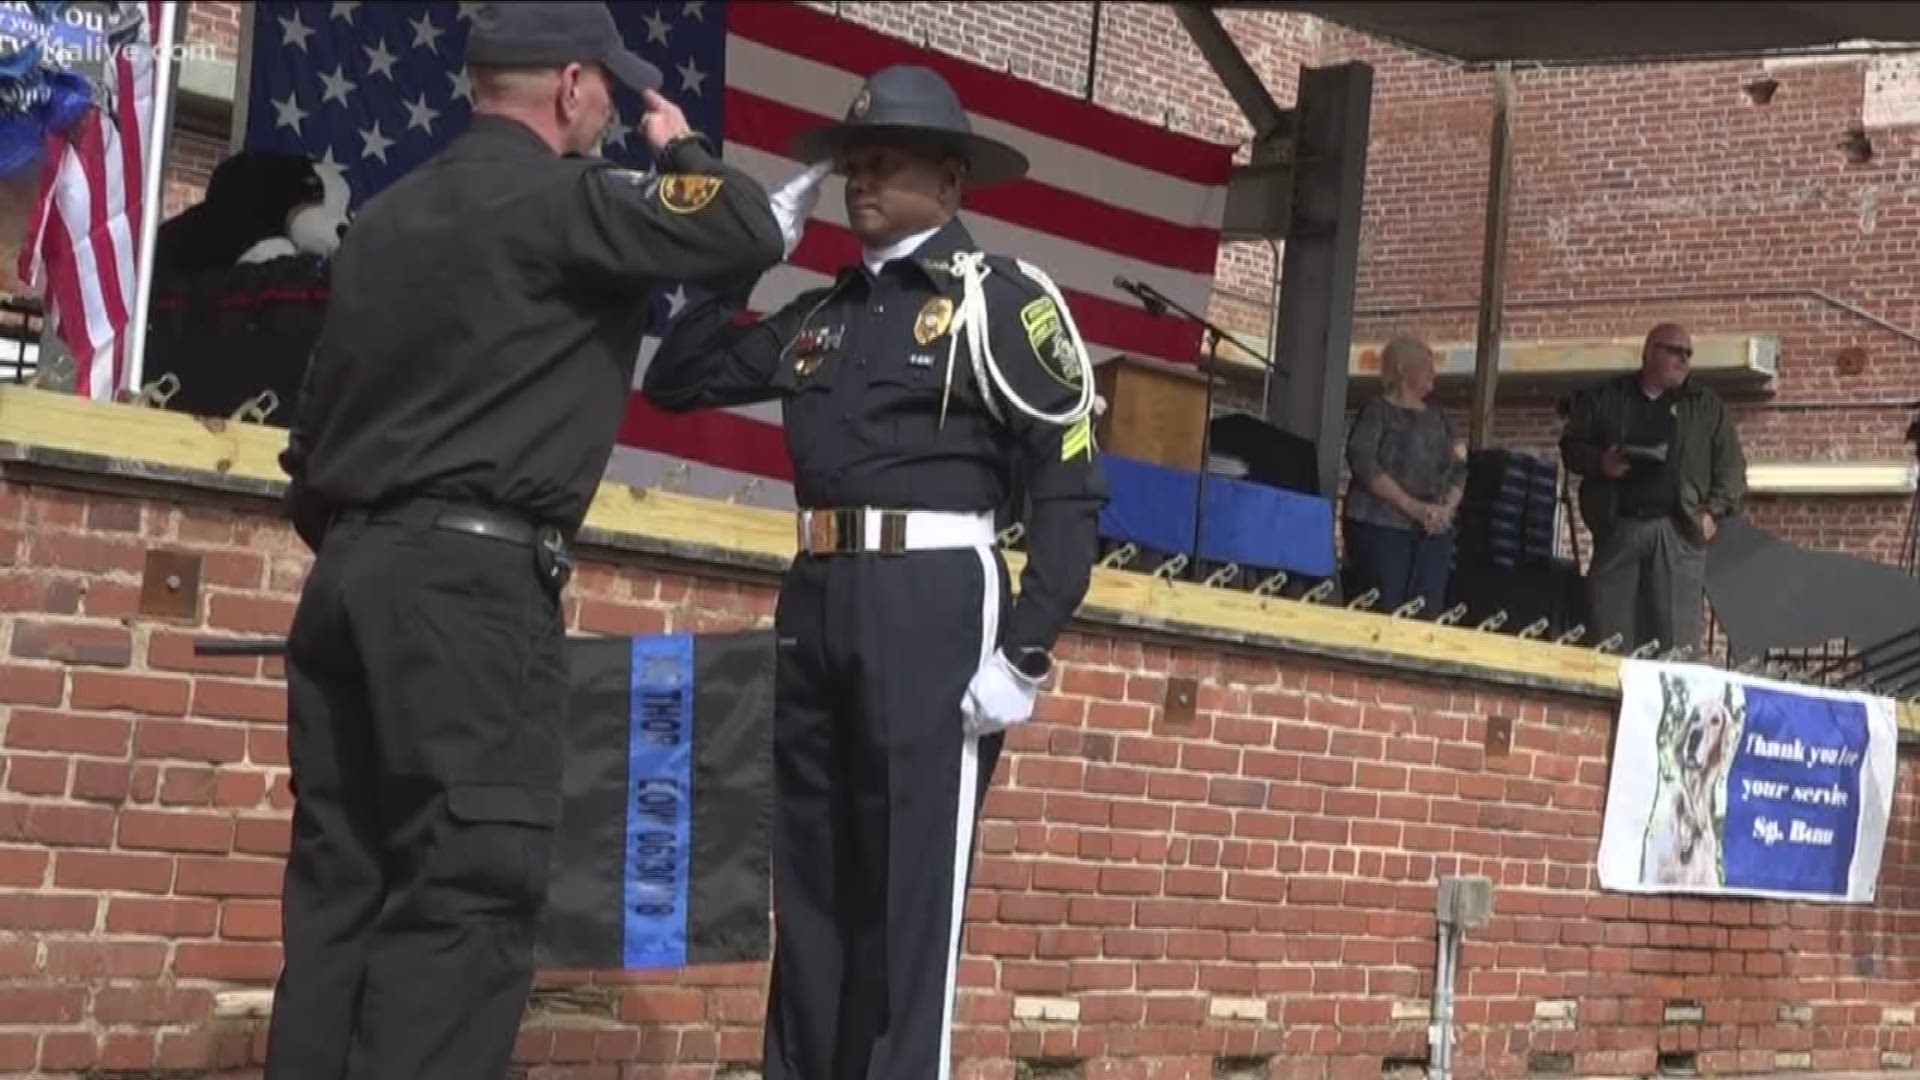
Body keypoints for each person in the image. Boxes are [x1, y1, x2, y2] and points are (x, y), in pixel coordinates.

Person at [265, 3, 785, 1078]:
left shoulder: (388, 218)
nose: (609, 106)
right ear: (571, 88)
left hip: (349, 577)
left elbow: (311, 435)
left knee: (337, 899)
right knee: (463, 900)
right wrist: (676, 142)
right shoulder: (570, 201)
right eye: (608, 88)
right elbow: (745, 226)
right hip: (471, 592)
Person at [641, 65, 1108, 1080]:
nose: (860, 178)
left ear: (949, 181)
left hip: (930, 604)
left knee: (905, 901)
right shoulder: (825, 313)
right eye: (853, 160)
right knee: (808, 885)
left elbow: (1069, 490)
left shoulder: (1002, 303)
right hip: (817, 597)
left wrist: (1025, 648)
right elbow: (677, 378)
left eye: (884, 160)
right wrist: (748, 252)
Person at [1560, 322, 1747, 654]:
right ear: (1648, 352)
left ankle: (1672, 703)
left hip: (1678, 528)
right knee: (1610, 632)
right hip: (1621, 525)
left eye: (1688, 354)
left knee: (1677, 640)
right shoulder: (1608, 397)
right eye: (1675, 351)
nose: (1683, 360)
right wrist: (1602, 462)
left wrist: (1713, 511)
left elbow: (1732, 469)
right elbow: (1571, 446)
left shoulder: (1704, 405)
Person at [1342, 335, 1465, 617]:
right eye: (1425, 365)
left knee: (1426, 612)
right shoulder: (1377, 411)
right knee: (1382, 609)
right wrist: (1412, 507)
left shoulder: (1441, 417)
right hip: (1379, 527)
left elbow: (1460, 468)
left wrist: (1446, 510)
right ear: (1401, 369)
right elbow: (1363, 462)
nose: (1433, 372)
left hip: (1433, 531)